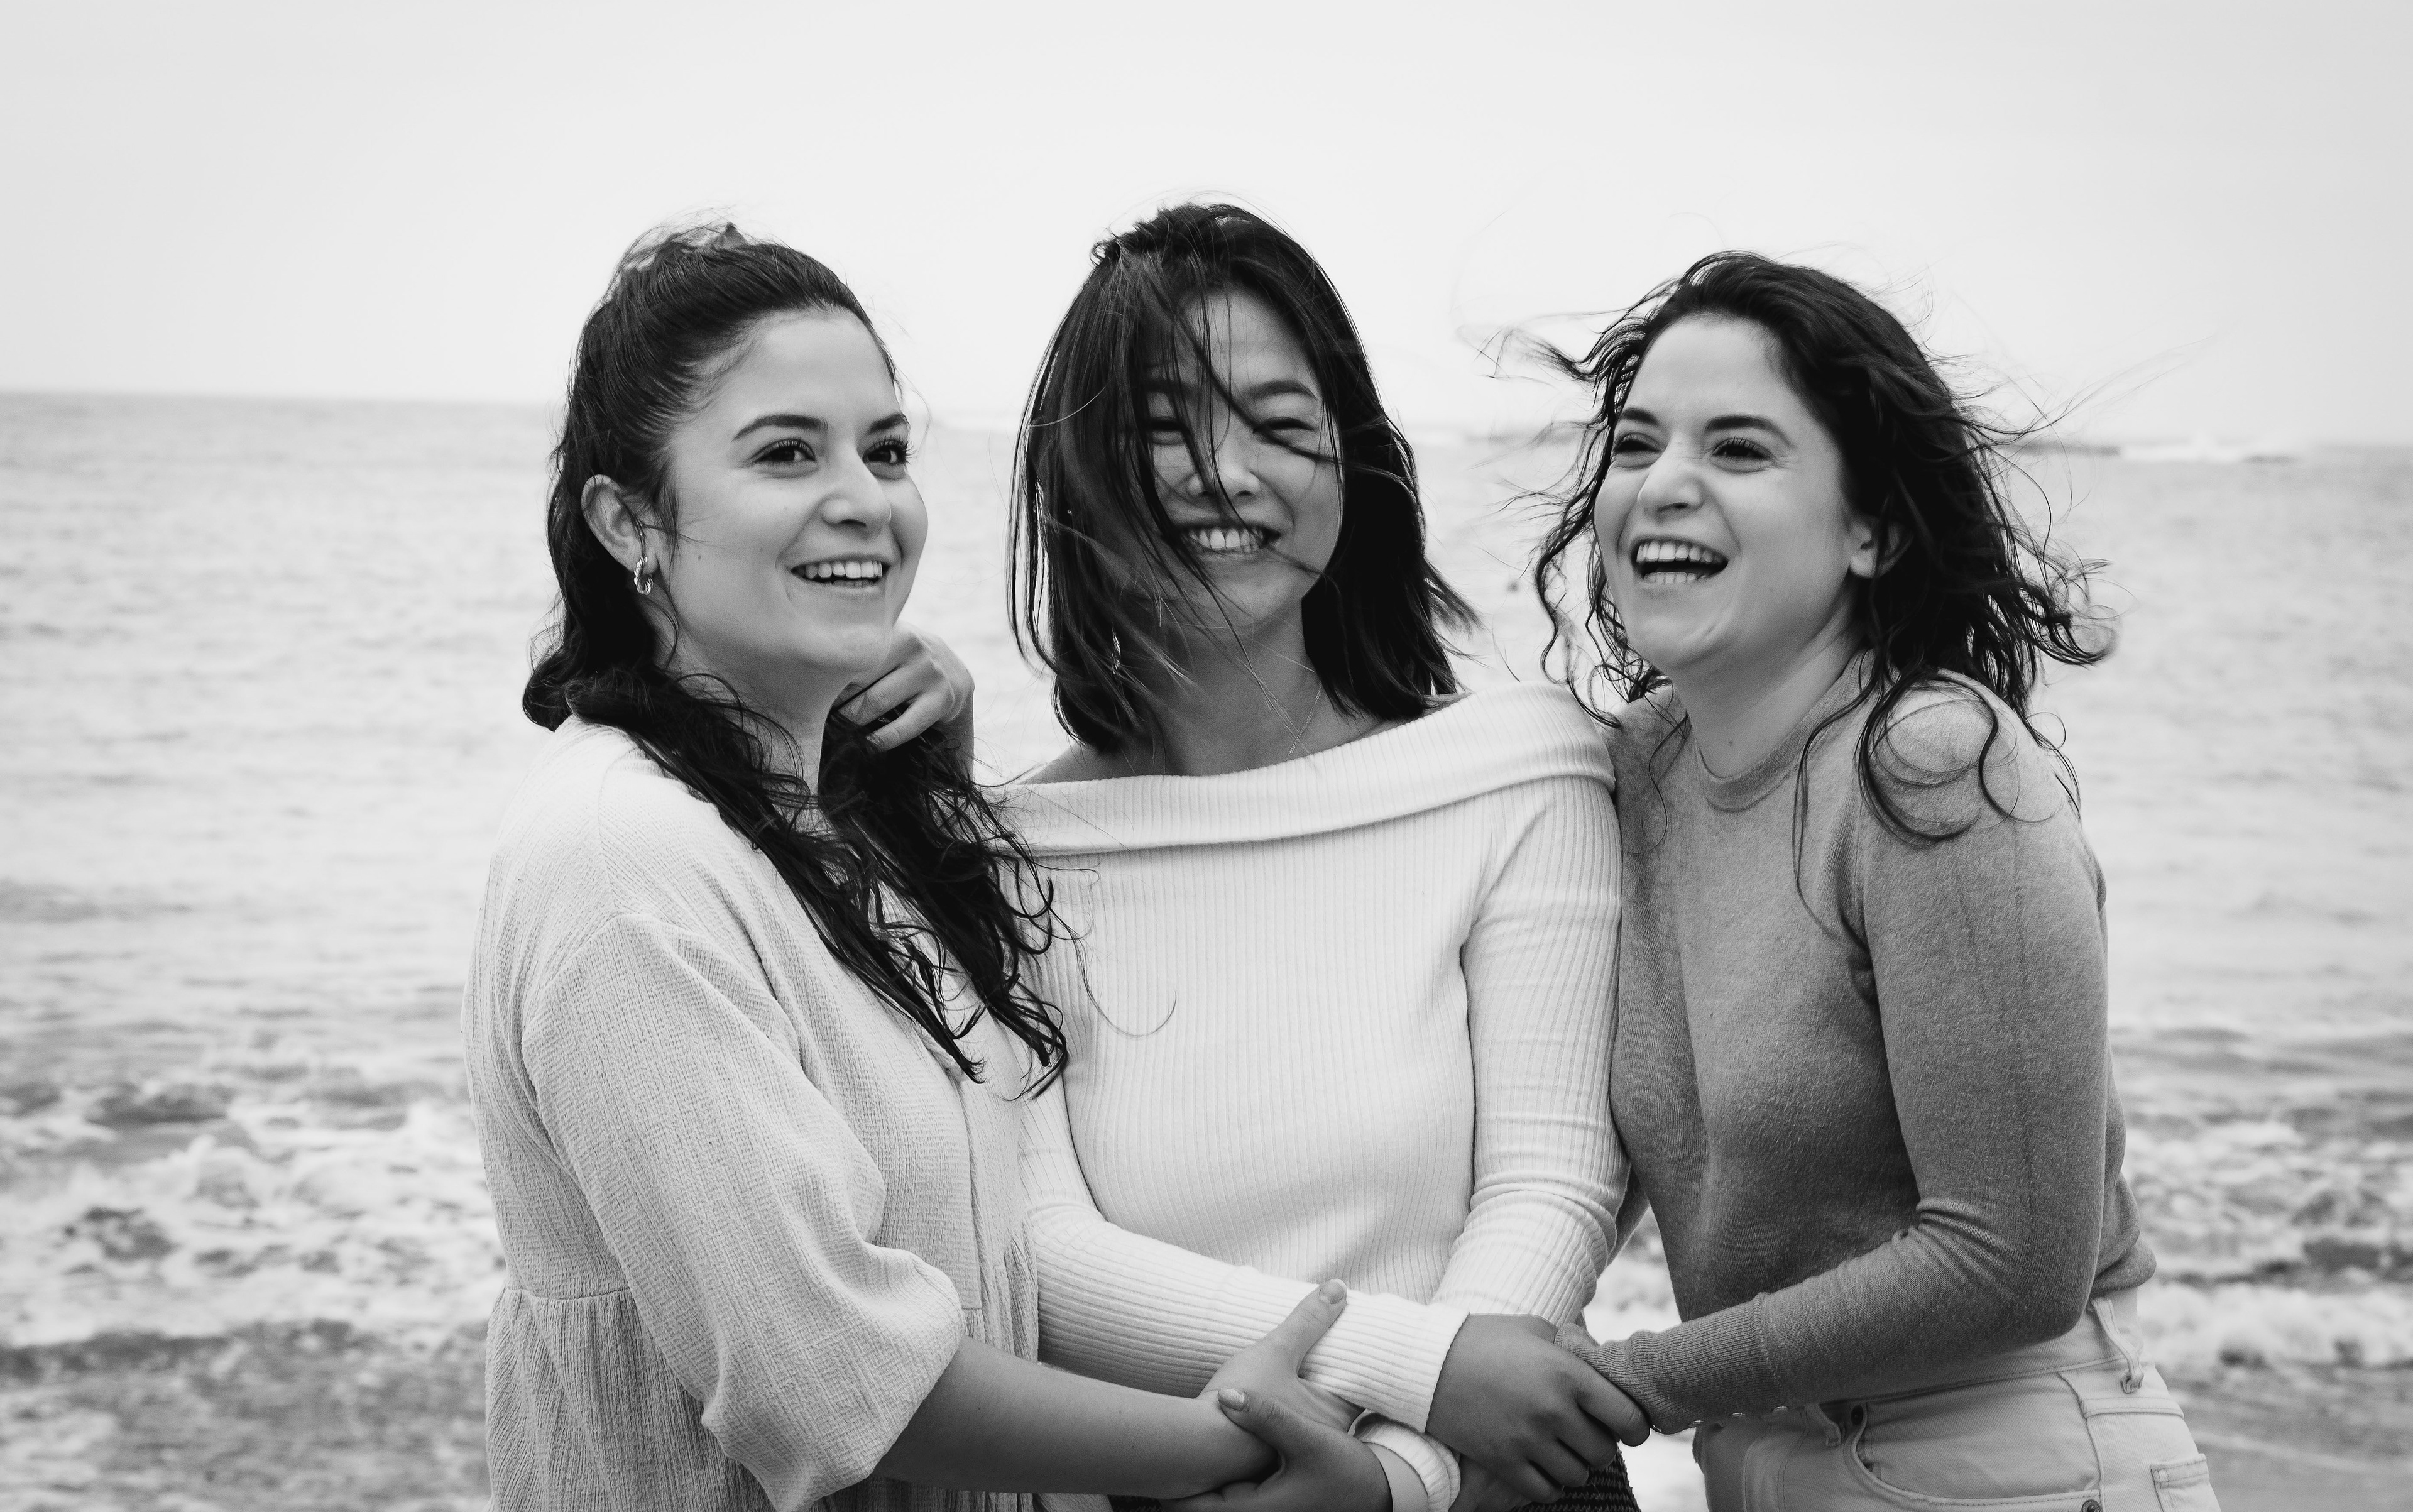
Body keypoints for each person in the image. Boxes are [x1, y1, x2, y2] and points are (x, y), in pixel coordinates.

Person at [462, 223, 1396, 1512]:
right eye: (787, 453)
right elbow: (824, 1380)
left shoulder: (816, 821)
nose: (865, 498)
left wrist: (930, 794)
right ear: (631, 521)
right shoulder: (624, 863)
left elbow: (983, 1217)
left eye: (886, 450)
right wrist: (1221, 1440)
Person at [1533, 253, 2221, 1510]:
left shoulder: (1932, 763)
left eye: (1740, 449)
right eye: (1636, 444)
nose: (1664, 482)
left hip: (2008, 1459)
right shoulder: (1626, 776)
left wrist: (1633, 1378)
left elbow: (2009, 1260)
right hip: (1765, 1461)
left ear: (1874, 528)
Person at [1000, 204, 1648, 1512]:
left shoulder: (1518, 767)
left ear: (1352, 470)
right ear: (1072, 479)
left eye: (1283, 424)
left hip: (1491, 1484)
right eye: (1166, 426)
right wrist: (1421, 1368)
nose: (1228, 472)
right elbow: (1041, 1259)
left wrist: (1396, 1477)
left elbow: (1553, 1181)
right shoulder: (993, 859)